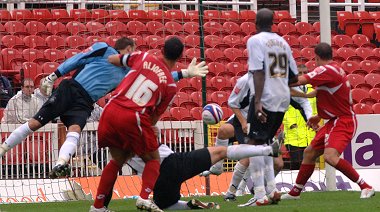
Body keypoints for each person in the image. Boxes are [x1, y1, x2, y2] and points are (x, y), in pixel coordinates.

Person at [0, 37, 208, 179]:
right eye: (132, 50)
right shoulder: (104, 49)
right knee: (36, 123)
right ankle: (3, 148)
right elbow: (78, 59)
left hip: (86, 101)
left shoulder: (128, 72)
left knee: (75, 131)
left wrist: (184, 74)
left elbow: (157, 76)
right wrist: (55, 75)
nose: (133, 54)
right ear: (127, 49)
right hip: (71, 88)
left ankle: (60, 163)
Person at [89, 37, 203, 212]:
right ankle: (143, 198)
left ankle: (97, 207)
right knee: (154, 159)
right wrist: (145, 132)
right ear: (180, 56)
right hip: (133, 117)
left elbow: (113, 59)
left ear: (162, 49)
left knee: (117, 160)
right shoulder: (170, 85)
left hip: (110, 111)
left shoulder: (143, 57)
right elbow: (154, 117)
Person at [281, 43, 375, 200]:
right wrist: (318, 116)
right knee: (309, 152)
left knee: (330, 156)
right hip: (334, 120)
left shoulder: (325, 70)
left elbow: (299, 80)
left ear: (316, 57)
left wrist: (275, 79)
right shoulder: (336, 69)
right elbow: (325, 93)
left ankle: (366, 186)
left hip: (343, 121)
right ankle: (295, 192)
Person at [97, 138, 281, 211]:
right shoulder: (136, 129)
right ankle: (266, 150)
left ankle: (189, 205)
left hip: (158, 180)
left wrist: (102, 204)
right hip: (174, 162)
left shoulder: (120, 151)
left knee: (165, 205)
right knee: (221, 151)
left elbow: (111, 176)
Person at [239, 8, 298, 207]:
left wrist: (257, 102)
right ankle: (272, 190)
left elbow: (257, 71)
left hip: (266, 98)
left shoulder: (255, 40)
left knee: (254, 143)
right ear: (273, 22)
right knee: (265, 143)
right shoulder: (284, 42)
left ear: (255, 23)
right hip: (283, 99)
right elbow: (294, 76)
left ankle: (260, 194)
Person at [283, 64, 315, 170]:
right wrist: (291, 124)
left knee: (309, 164)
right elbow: (283, 110)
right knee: (297, 164)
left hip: (310, 134)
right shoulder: (288, 89)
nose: (302, 75)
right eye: (299, 73)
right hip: (293, 135)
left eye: (304, 73)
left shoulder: (313, 90)